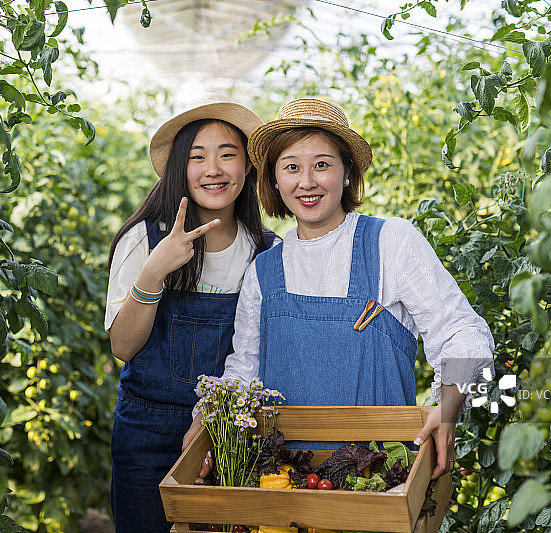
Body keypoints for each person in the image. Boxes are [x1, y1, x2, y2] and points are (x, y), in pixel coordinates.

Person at [184, 97, 494, 479]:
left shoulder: (389, 243)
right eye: (291, 167)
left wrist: (446, 411)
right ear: (274, 179)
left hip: (378, 485)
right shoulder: (263, 271)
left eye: (322, 165)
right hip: (287, 488)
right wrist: (208, 419)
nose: (307, 181)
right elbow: (244, 369)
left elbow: (464, 332)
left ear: (346, 172)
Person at [105, 94, 276, 533]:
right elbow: (123, 347)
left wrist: (218, 424)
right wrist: (155, 270)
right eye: (198, 156)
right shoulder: (144, 239)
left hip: (231, 432)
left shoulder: (266, 252)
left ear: (249, 166)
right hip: (146, 431)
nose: (214, 169)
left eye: (228, 154)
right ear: (180, 168)